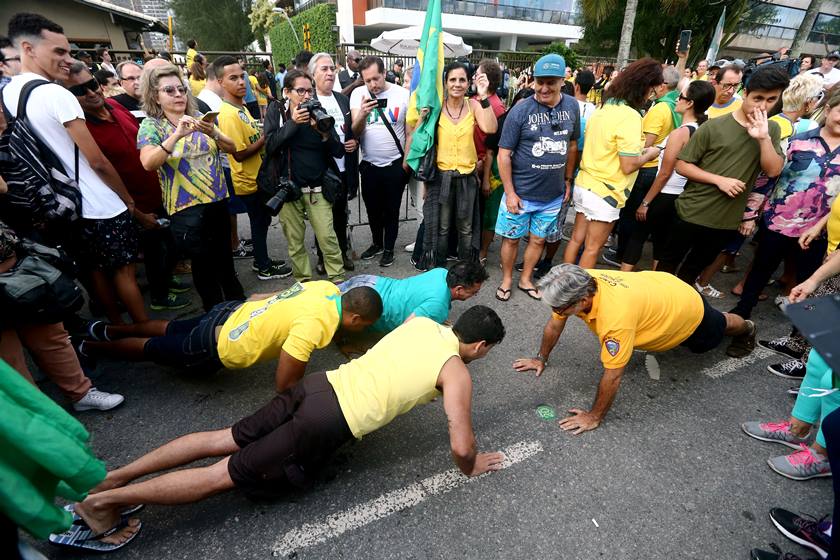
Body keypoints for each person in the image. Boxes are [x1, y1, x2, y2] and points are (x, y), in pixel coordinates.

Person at [67, 305, 506, 548]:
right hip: (327, 420)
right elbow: (461, 444)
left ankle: (114, 477)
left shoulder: (424, 323)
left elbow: (403, 334)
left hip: (317, 386)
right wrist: (471, 466)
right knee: (221, 475)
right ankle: (102, 502)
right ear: (482, 345)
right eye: (486, 351)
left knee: (222, 438)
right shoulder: (456, 371)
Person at [4, 14, 141, 323]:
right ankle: (143, 328)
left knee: (94, 271)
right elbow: (97, 161)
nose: (68, 60)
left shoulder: (8, 92)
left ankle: (114, 328)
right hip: (99, 203)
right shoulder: (56, 93)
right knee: (124, 273)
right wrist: (128, 200)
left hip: (61, 204)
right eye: (59, 52)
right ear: (28, 48)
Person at [512, 264, 757, 434]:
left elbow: (613, 375)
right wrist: (540, 357)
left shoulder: (615, 319)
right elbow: (555, 323)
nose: (556, 311)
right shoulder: (576, 281)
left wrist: (594, 416)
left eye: (559, 308)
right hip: (661, 289)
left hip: (687, 310)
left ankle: (748, 328)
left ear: (583, 301)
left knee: (720, 326)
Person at [78, 282, 381, 390]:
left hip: (230, 313)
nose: (363, 330)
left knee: (169, 327)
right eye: (364, 325)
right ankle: (90, 347)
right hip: (218, 344)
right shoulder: (315, 327)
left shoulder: (327, 289)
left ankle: (107, 329)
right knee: (152, 349)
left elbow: (277, 295)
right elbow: (285, 384)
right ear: (354, 318)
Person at [656, 65, 789, 308]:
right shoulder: (713, 126)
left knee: (691, 273)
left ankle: (674, 315)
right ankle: (654, 311)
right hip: (690, 212)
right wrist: (719, 180)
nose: (762, 106)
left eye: (771, 100)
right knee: (665, 268)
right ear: (745, 93)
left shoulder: (772, 129)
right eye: (758, 98)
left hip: (725, 221)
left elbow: (773, 170)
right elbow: (682, 165)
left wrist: (763, 138)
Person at [67, 61, 188, 312]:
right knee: (152, 250)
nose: (91, 93)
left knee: (170, 243)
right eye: (80, 90)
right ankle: (160, 296)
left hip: (158, 191)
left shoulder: (116, 107)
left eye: (92, 84)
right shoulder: (83, 128)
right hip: (132, 202)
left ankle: (165, 280)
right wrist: (135, 211)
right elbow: (100, 170)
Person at [137, 62, 245, 311]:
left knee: (225, 263)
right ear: (155, 96)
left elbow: (232, 148)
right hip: (186, 210)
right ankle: (215, 317)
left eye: (181, 89)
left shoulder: (200, 119)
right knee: (204, 269)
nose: (178, 95)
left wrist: (214, 133)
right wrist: (177, 135)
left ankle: (240, 313)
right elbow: (148, 163)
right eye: (169, 90)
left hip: (217, 202)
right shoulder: (152, 125)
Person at [0, 221, 124, 411]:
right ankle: (37, 412)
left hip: (18, 268)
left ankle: (81, 393)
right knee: (9, 357)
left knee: (52, 336)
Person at [562, 58, 664, 270]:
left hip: (585, 183)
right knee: (592, 248)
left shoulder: (604, 108)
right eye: (652, 90)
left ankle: (561, 282)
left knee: (576, 240)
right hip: (606, 192)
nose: (651, 95)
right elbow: (628, 165)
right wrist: (651, 153)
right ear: (644, 87)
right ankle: (578, 288)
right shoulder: (630, 116)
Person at [495, 54, 579, 303]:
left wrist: (567, 180)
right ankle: (507, 279)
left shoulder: (572, 106)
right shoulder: (520, 110)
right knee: (511, 239)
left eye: (550, 82)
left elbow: (572, 145)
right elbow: (503, 154)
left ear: (562, 81)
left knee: (539, 239)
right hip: (520, 193)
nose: (543, 88)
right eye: (539, 82)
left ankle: (525, 279)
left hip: (552, 195)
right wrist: (510, 192)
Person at [259, 70, 346, 282]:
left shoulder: (318, 111)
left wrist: (324, 133)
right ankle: (303, 282)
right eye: (301, 91)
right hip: (287, 190)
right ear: (287, 92)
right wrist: (293, 123)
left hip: (317, 189)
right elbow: (269, 146)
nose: (307, 96)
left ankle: (338, 279)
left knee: (327, 238)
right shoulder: (277, 111)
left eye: (310, 91)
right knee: (295, 242)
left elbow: (338, 151)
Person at [624, 80, 716, 271]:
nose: (676, 100)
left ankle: (623, 277)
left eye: (680, 96)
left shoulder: (680, 133)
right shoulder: (701, 130)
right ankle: (658, 282)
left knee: (637, 236)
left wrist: (646, 202)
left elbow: (665, 172)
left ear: (690, 103)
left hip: (664, 193)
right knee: (661, 242)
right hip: (680, 195)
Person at [214, 55, 291, 281]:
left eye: (242, 76)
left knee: (262, 222)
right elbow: (238, 154)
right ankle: (264, 267)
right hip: (249, 181)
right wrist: (266, 138)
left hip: (259, 176)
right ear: (220, 82)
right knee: (258, 223)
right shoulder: (228, 114)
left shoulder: (240, 107)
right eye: (233, 78)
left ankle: (261, 261)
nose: (241, 82)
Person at [417, 61, 498, 268]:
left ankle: (465, 269)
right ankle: (439, 270)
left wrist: (484, 96)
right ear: (445, 82)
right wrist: (422, 119)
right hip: (441, 178)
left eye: (462, 80)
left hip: (467, 178)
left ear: (468, 83)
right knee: (442, 228)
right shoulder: (436, 109)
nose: (457, 84)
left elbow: (490, 128)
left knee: (466, 228)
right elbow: (422, 141)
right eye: (452, 79)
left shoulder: (474, 106)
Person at [615, 65, 684, 270]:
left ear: (662, 85)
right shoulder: (674, 105)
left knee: (630, 216)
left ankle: (622, 255)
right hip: (661, 168)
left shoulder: (660, 108)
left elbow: (646, 143)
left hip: (647, 167)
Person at [350, 55, 410, 267]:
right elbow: (355, 131)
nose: (373, 84)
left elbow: (410, 132)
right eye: (367, 80)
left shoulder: (402, 94)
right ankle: (377, 243)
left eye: (376, 78)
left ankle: (389, 248)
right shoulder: (358, 94)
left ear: (385, 73)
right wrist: (362, 114)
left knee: (392, 210)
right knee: (372, 209)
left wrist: (405, 164)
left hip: (395, 164)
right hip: (369, 166)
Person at [338, 259, 488, 334]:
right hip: (365, 305)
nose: (474, 295)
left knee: (328, 298)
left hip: (369, 282)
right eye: (473, 292)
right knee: (331, 318)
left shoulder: (442, 272)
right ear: (459, 289)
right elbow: (406, 331)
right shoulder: (438, 307)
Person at [310, 53, 358, 273]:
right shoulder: (309, 102)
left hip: (344, 168)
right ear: (313, 75)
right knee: (322, 219)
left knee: (340, 215)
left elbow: (350, 129)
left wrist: (354, 141)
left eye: (332, 69)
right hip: (321, 170)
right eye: (324, 69)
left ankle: (342, 253)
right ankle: (323, 257)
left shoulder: (342, 99)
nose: (330, 73)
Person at [480, 88, 535, 264]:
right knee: (490, 217)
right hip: (497, 178)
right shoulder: (502, 121)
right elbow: (490, 152)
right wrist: (486, 180)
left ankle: (507, 258)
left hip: (522, 180)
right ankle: (483, 252)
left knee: (515, 218)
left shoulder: (537, 126)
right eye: (519, 106)